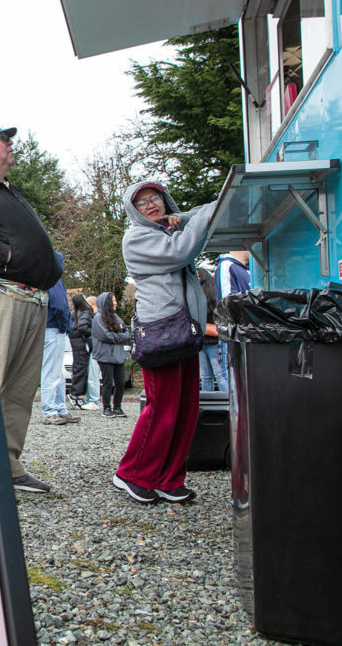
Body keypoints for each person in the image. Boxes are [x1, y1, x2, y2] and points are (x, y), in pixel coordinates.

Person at [0, 121, 63, 494]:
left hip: (31, 299)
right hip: (0, 297)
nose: (11, 144)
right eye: (4, 139)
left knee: (18, 391)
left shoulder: (7, 191)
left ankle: (6, 466)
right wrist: (4, 254)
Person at [114, 180, 215, 504]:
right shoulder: (137, 238)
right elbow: (181, 251)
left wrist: (179, 219)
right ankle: (133, 474)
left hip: (183, 329)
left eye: (155, 198)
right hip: (161, 331)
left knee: (186, 408)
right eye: (142, 203)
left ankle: (169, 479)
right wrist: (201, 215)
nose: (151, 205)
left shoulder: (163, 231)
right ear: (134, 212)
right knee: (164, 408)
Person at [39, 255, 78, 425]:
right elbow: (60, 306)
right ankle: (49, 411)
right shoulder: (54, 280)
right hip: (54, 329)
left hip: (51, 329)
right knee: (52, 373)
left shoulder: (45, 278)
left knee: (59, 374)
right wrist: (65, 326)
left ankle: (60, 409)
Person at [214, 250, 251, 381]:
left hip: (247, 335)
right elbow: (226, 303)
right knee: (238, 379)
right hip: (237, 336)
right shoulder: (227, 266)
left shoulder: (245, 269)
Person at [91, 292, 129, 417]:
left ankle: (117, 407)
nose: (115, 303)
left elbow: (126, 332)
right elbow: (105, 336)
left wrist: (119, 336)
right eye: (113, 301)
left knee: (121, 382)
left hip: (118, 355)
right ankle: (106, 408)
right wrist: (121, 336)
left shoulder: (117, 317)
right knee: (107, 382)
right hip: (105, 355)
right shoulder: (98, 318)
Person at [197, 266, 227, 391]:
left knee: (219, 375)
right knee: (206, 376)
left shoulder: (213, 296)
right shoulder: (198, 294)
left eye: (198, 276)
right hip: (202, 340)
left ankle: (226, 402)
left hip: (213, 340)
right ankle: (210, 404)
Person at [67, 293, 93, 406]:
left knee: (77, 367)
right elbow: (83, 327)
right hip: (82, 344)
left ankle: (76, 393)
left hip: (75, 343)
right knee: (81, 368)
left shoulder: (74, 313)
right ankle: (75, 394)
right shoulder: (85, 313)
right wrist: (94, 333)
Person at [84, 296, 102, 409]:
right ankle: (92, 398)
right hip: (95, 348)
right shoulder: (97, 316)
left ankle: (93, 400)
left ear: (90, 304)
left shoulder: (96, 317)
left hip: (96, 349)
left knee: (93, 376)